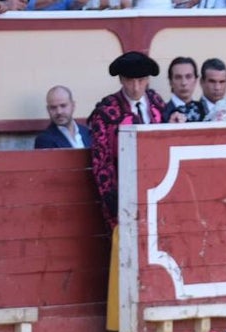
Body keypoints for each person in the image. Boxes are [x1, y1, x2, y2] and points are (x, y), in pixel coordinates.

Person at [88, 52, 167, 231]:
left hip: (159, 191)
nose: (136, 87)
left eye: (141, 80)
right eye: (130, 81)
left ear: (148, 79)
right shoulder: (105, 112)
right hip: (124, 195)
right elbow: (101, 162)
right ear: (121, 80)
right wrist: (112, 199)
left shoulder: (158, 103)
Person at [162, 57, 208, 123]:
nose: (184, 83)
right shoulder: (162, 113)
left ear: (196, 80)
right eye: (178, 77)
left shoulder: (204, 110)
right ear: (170, 82)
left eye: (188, 77)